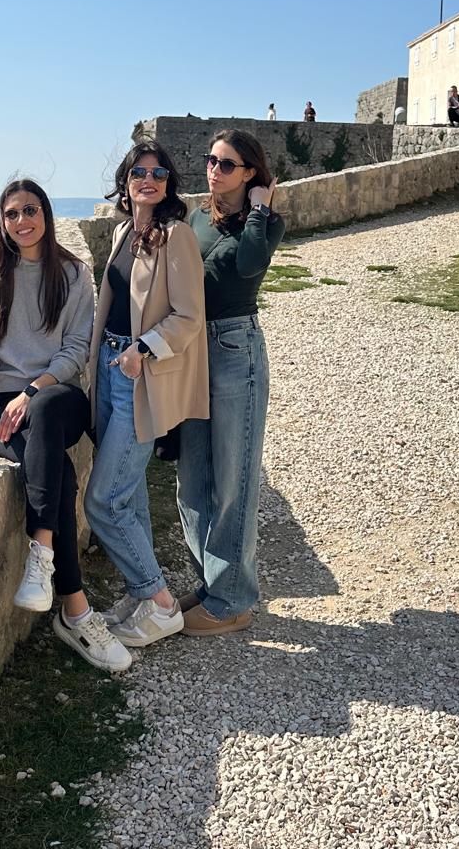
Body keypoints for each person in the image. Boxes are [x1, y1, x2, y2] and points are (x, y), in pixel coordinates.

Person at [0, 178, 130, 673]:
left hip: (58, 395)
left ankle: (40, 552)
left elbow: (75, 350)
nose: (21, 221)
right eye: (11, 214)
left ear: (45, 213)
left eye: (30, 210)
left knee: (43, 411)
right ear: (1, 222)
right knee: (58, 473)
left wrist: (32, 390)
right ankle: (76, 612)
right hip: (0, 403)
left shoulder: (72, 274)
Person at [85, 142, 208, 648]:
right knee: (130, 494)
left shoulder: (176, 235)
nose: (149, 180)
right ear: (126, 181)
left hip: (140, 376)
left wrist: (143, 349)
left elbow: (189, 316)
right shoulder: (123, 233)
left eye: (159, 174)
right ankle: (141, 598)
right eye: (139, 172)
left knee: (103, 500)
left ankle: (159, 603)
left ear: (168, 184)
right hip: (110, 369)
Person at [177, 129, 285, 635]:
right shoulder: (197, 217)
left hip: (234, 349)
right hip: (191, 348)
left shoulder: (265, 225)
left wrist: (260, 207)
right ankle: (212, 584)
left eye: (226, 164)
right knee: (192, 478)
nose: (214, 171)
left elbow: (248, 265)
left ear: (250, 173)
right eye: (211, 160)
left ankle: (233, 601)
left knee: (232, 479)